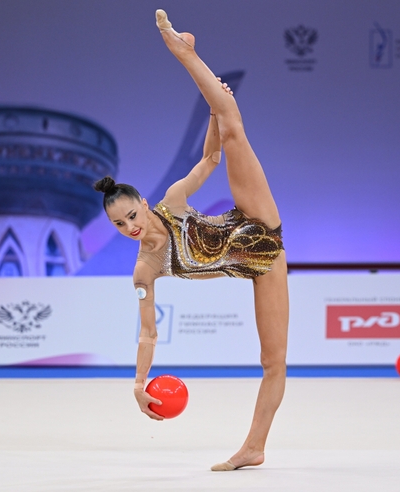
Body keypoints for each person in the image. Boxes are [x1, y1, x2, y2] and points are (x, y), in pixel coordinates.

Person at [93, 10, 289, 471]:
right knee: (272, 361)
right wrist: (139, 384)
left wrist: (213, 111)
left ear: (142, 202)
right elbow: (148, 332)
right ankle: (254, 449)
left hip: (255, 220)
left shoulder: (173, 201)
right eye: (120, 226)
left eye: (131, 215)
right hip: (265, 264)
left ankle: (184, 53)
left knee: (233, 124)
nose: (131, 228)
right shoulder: (144, 269)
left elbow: (211, 158)